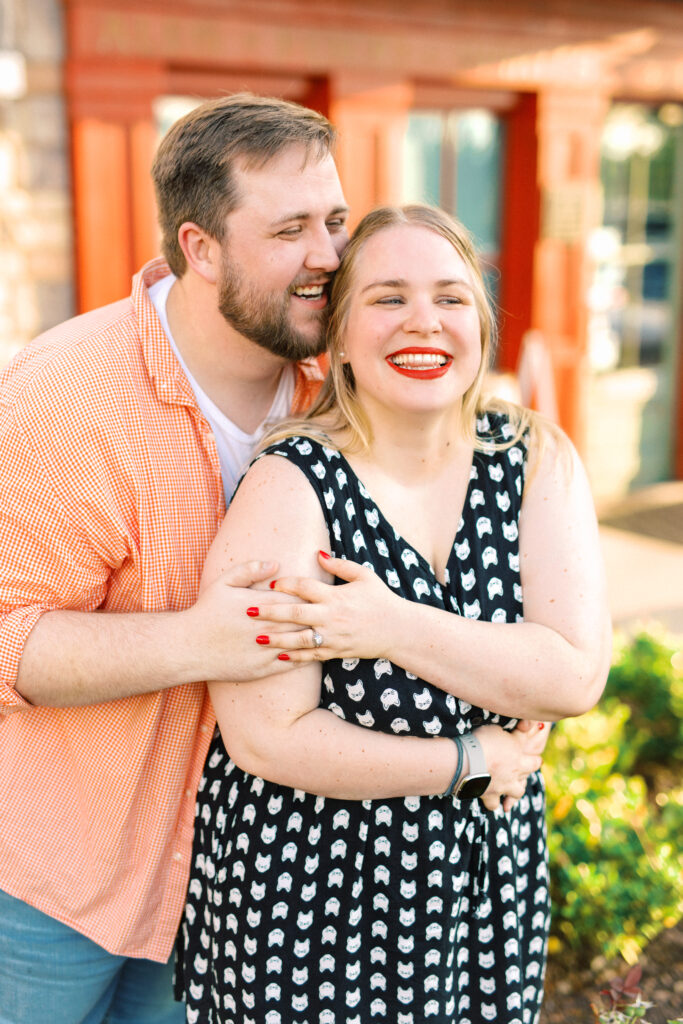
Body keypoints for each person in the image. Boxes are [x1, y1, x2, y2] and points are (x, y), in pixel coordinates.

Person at [177, 204, 612, 1024]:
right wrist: (468, 756)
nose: (425, 322)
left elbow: (573, 674)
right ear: (336, 338)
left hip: (481, 882)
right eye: (386, 299)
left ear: (478, 326)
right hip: (312, 894)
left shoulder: (532, 461)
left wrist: (388, 625)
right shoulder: (289, 485)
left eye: (451, 298)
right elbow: (268, 736)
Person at [0, 92, 351, 1024]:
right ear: (199, 249)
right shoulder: (67, 397)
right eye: (290, 230)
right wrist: (205, 641)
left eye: (336, 220)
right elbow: (5, 638)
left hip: (227, 889)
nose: (328, 256)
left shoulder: (346, 392)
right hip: (41, 891)